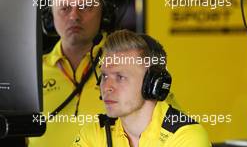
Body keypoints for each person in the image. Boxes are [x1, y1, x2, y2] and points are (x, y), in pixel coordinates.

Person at [72, 29, 211, 147]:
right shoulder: (93, 133)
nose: (106, 87)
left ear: (152, 83)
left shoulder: (187, 137)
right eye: (104, 76)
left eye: (120, 77)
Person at [29, 0, 109, 147]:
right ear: (49, 17)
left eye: (85, 6)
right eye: (64, 8)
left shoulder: (128, 65)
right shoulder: (29, 72)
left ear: (103, 13)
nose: (74, 16)